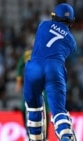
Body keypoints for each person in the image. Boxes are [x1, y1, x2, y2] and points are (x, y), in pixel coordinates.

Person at [23, 3, 77, 141]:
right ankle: (66, 137)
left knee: (34, 108)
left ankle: (35, 138)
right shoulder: (71, 42)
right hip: (55, 69)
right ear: (72, 21)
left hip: (34, 67)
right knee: (58, 111)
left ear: (53, 16)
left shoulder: (43, 25)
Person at [15, 46, 50, 141]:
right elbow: (19, 66)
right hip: (29, 84)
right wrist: (18, 81)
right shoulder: (27, 54)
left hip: (42, 85)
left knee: (45, 109)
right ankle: (28, 134)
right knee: (24, 108)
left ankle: (45, 136)